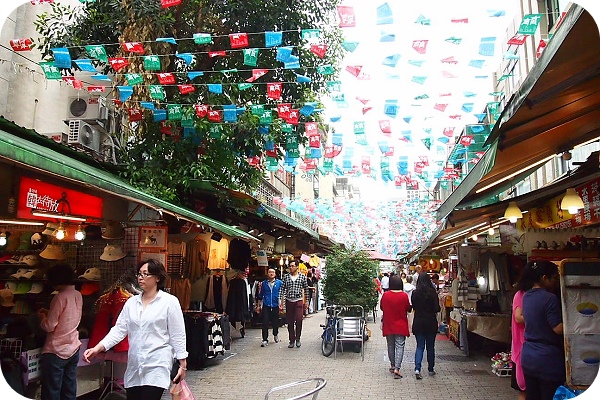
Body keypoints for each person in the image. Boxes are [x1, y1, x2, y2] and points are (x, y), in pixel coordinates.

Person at [83, 259, 188, 400]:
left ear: (157, 277)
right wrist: (98, 347)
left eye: (145, 274)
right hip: (134, 365)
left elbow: (178, 334)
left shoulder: (169, 302)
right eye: (139, 274)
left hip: (157, 364)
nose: (140, 277)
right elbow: (119, 330)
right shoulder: (131, 303)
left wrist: (182, 363)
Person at [521, 261, 564, 400]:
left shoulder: (526, 296)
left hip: (528, 356)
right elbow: (557, 328)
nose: (556, 282)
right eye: (555, 278)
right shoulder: (550, 298)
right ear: (545, 278)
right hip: (547, 360)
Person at [38, 263, 83, 400]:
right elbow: (68, 317)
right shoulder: (77, 294)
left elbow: (50, 326)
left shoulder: (59, 298)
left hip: (55, 350)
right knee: (69, 389)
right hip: (73, 347)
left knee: (52, 391)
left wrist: (42, 317)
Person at [511, 262, 536, 400]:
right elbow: (518, 318)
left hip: (528, 348)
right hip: (522, 349)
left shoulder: (526, 294)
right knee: (524, 391)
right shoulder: (521, 294)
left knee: (527, 392)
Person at [380, 275, 412, 379]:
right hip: (401, 324)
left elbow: (381, 307)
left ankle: (393, 365)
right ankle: (397, 368)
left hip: (388, 323)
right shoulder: (403, 295)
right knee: (400, 345)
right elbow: (408, 308)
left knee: (390, 345)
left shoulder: (386, 295)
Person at [412, 272, 440, 379]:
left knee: (419, 346)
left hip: (418, 322)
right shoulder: (432, 293)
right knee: (430, 347)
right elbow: (437, 308)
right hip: (430, 322)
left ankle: (417, 368)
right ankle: (431, 369)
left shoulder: (415, 293)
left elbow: (413, 306)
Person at [279, 260, 308, 348]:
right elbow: (282, 289)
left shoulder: (302, 277)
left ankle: (298, 338)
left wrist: (306, 302)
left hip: (298, 300)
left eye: (292, 266)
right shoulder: (286, 277)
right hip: (289, 300)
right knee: (290, 321)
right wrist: (280, 301)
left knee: (299, 319)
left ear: (296, 267)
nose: (291, 268)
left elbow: (306, 289)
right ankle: (291, 340)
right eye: (290, 266)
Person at [256, 268, 283, 347]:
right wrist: (258, 306)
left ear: (275, 274)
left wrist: (281, 304)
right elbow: (260, 295)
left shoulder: (279, 283)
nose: (271, 273)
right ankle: (265, 339)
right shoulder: (264, 284)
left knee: (275, 322)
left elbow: (282, 294)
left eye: (273, 272)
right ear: (267, 274)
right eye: (270, 272)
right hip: (266, 305)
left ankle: (275, 334)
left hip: (275, 305)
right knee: (265, 322)